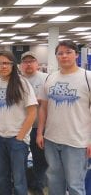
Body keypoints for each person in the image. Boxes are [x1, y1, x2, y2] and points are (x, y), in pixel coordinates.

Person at [37, 40, 91, 195]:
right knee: (54, 182)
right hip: (52, 140)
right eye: (60, 53)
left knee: (75, 184)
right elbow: (43, 108)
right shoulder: (50, 78)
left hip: (77, 142)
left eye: (68, 52)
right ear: (56, 57)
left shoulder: (87, 77)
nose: (64, 56)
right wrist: (40, 133)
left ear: (76, 55)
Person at [0, 50, 38, 195]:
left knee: (19, 180)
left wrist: (20, 136)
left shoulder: (22, 83)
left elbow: (32, 112)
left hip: (17, 140)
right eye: (0, 63)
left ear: (13, 65)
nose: (3, 66)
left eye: (7, 63)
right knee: (2, 178)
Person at [20, 51, 48, 195]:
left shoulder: (46, 78)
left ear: (37, 64)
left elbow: (47, 102)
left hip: (39, 127)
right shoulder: (17, 80)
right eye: (25, 61)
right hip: (21, 128)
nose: (28, 64)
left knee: (40, 159)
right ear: (21, 65)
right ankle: (23, 185)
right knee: (21, 159)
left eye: (31, 61)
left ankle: (38, 187)